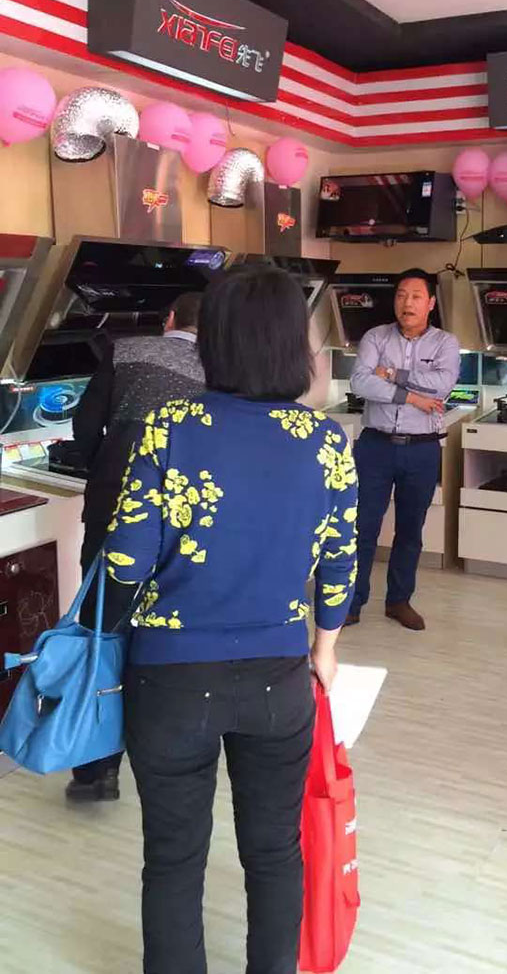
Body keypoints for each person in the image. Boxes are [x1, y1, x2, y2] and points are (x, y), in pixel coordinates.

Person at [103, 264, 357, 974]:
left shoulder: (170, 426)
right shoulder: (326, 441)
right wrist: (325, 648)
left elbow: (125, 560)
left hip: (169, 678)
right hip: (280, 677)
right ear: (292, 345)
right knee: (275, 851)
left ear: (213, 340)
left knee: (173, 857)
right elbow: (340, 564)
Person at [65, 291, 206, 802]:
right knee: (169, 633)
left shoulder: (124, 351)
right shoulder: (222, 369)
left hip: (114, 508)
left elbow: (85, 426)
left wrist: (103, 465)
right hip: (184, 521)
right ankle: (167, 755)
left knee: (102, 628)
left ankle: (97, 767)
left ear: (168, 319)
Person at [346, 267, 460, 631]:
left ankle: (398, 601)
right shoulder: (375, 337)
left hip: (422, 449)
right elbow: (360, 382)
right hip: (375, 446)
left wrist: (393, 375)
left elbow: (442, 385)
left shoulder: (445, 343)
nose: (406, 303)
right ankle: (352, 602)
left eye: (415, 296)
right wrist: (411, 397)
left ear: (430, 303)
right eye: (400, 295)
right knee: (362, 526)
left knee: (411, 530)